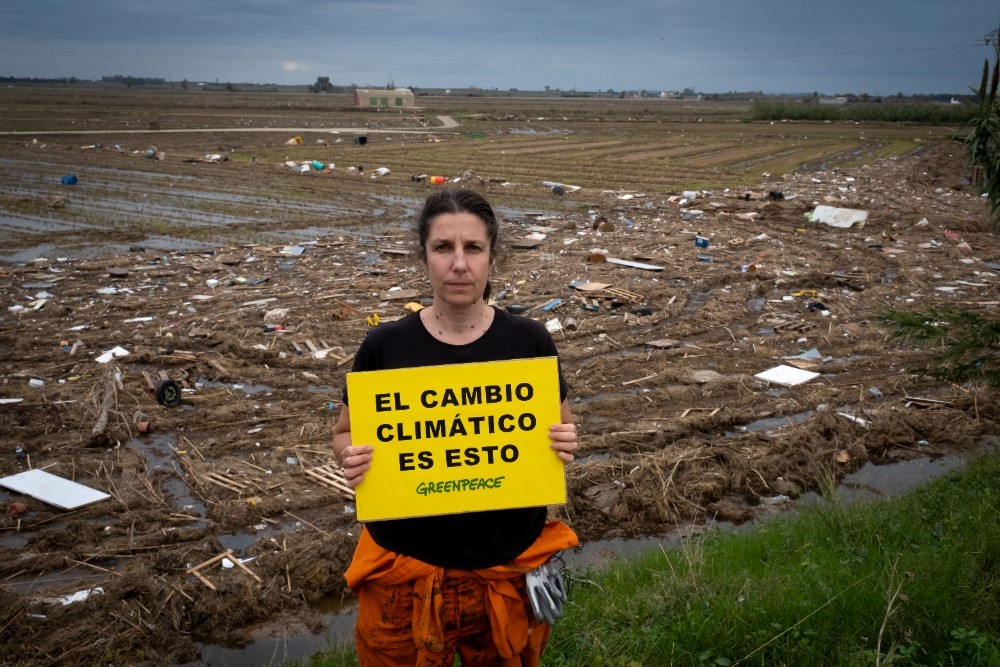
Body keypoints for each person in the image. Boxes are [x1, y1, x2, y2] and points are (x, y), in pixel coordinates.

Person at [333, 188, 579, 666]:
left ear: (492, 257)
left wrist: (565, 443)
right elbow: (343, 432)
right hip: (405, 566)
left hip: (505, 565)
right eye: (443, 248)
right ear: (423, 256)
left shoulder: (529, 341)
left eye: (473, 248)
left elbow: (562, 429)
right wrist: (350, 454)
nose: (459, 264)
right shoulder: (384, 345)